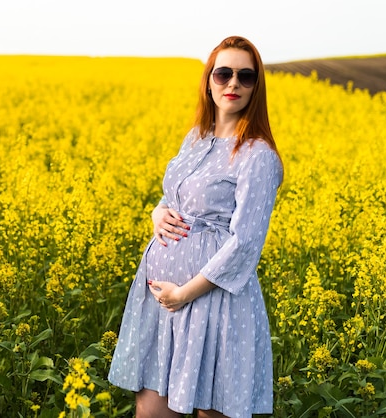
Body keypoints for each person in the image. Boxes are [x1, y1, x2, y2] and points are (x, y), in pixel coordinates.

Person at [107, 36, 283, 418]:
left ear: (257, 87)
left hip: (213, 304)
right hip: (163, 306)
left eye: (245, 76)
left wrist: (185, 293)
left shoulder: (259, 155)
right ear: (209, 81)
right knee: (150, 410)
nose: (233, 84)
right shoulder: (196, 139)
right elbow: (177, 197)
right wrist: (158, 212)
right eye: (223, 73)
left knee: (211, 412)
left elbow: (245, 245)